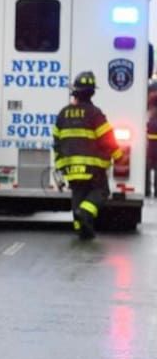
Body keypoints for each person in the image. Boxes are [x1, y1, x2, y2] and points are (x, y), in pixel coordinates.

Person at [53, 71, 122, 239]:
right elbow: (107, 139)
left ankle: (82, 229)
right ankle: (85, 214)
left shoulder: (63, 114)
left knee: (78, 195)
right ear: (92, 92)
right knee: (101, 192)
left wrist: (61, 166)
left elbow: (56, 142)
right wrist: (119, 156)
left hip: (71, 168)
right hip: (93, 168)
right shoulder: (95, 113)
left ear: (75, 92)